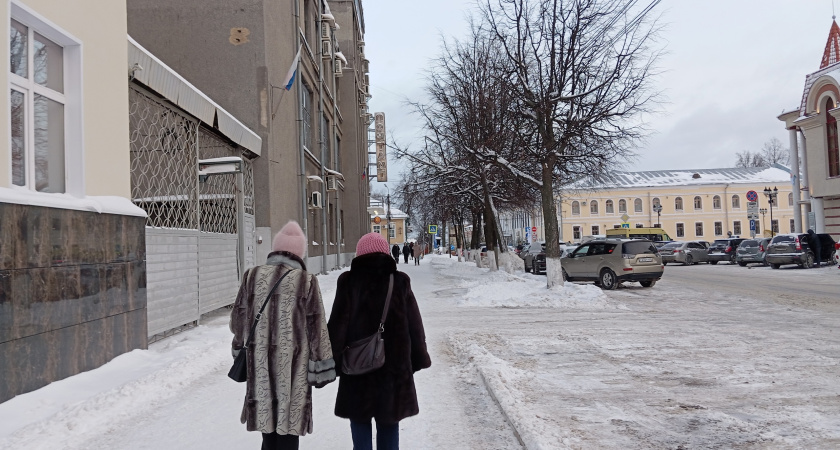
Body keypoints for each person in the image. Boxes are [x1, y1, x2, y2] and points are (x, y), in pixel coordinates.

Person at [230, 221, 336, 450]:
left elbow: (238, 320)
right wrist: (321, 368)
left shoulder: (251, 276)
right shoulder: (306, 281)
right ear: (300, 252)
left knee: (267, 432)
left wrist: (239, 349)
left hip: (260, 365)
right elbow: (317, 328)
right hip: (293, 370)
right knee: (289, 432)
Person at [328, 232, 432, 450]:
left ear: (359, 254)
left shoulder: (348, 282)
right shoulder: (400, 281)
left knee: (359, 422)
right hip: (393, 369)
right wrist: (418, 358)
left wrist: (333, 363)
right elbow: (415, 324)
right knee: (389, 424)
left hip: (356, 369)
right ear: (386, 253)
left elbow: (337, 326)